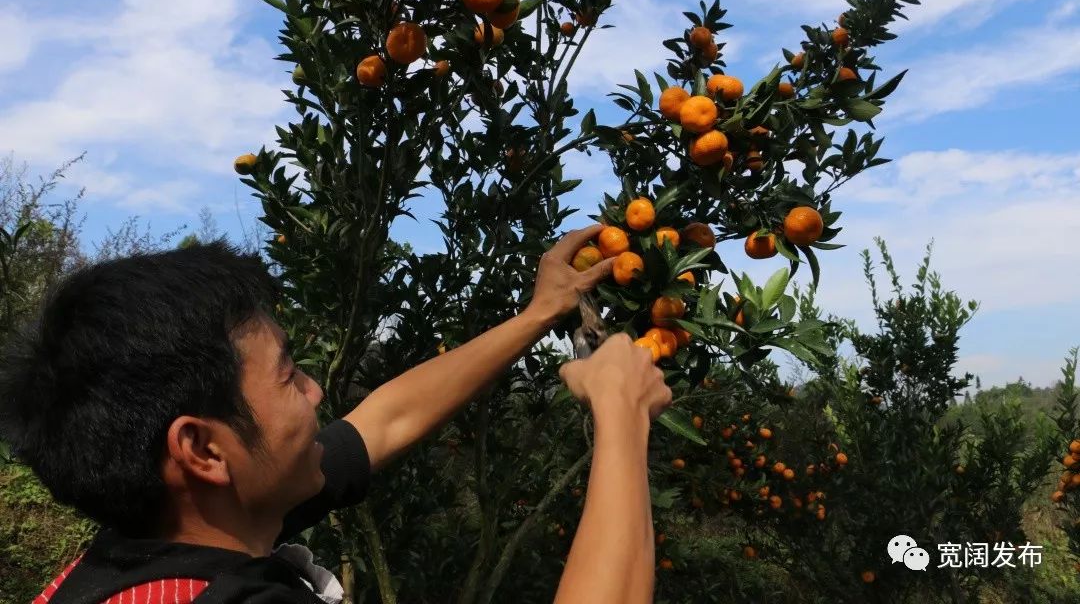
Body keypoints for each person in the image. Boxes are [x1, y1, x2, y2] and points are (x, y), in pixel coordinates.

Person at [2, 223, 671, 603]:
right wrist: (622, 417)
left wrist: (539, 315)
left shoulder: (168, 537)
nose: (317, 391)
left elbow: (388, 421)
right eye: (289, 375)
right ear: (202, 451)